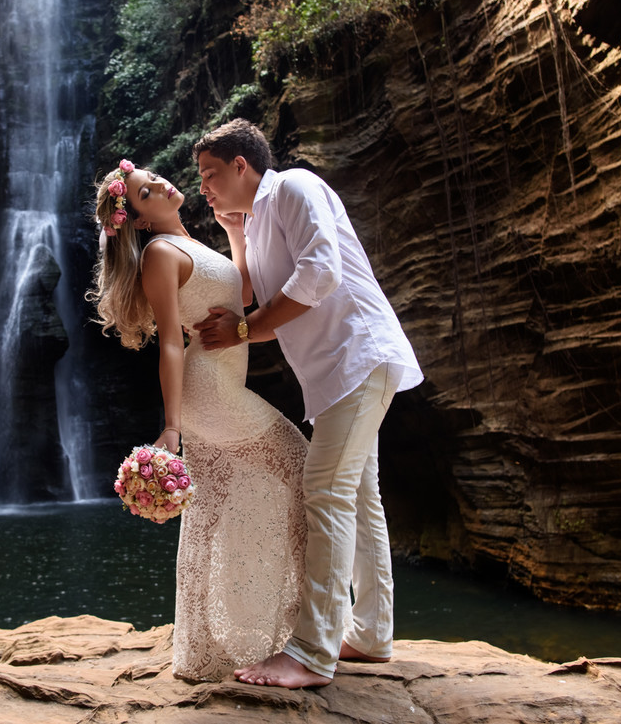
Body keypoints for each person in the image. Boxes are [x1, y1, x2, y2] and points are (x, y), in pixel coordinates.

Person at [191, 119, 423, 689]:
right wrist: (236, 233)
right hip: (334, 375)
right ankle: (371, 634)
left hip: (358, 357)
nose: (203, 187)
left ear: (241, 165)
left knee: (325, 490)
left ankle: (312, 653)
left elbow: (320, 272)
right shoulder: (256, 220)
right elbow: (246, 295)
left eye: (211, 174)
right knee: (358, 497)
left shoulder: (294, 186)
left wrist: (243, 331)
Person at [87, 159, 309, 681]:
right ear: (141, 220)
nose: (159, 183)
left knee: (210, 511)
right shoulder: (160, 253)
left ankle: (206, 652)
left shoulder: (191, 244)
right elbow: (170, 340)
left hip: (219, 386)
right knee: (303, 467)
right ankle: (301, 632)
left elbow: (242, 297)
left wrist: (234, 234)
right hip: (209, 391)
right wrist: (172, 426)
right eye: (145, 192)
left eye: (151, 177)